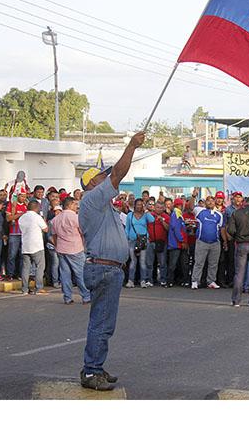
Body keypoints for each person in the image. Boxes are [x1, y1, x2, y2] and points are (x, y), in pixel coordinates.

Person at [78, 130, 145, 391]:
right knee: (102, 323)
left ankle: (95, 366)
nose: (106, 176)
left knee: (104, 322)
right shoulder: (92, 199)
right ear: (92, 183)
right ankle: (92, 370)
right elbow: (118, 174)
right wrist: (131, 146)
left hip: (107, 268)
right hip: (103, 268)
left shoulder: (102, 205)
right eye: (101, 176)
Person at [51, 197, 90, 305]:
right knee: (80, 273)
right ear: (70, 205)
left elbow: (54, 236)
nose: (77, 207)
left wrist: (57, 245)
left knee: (65, 274)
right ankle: (86, 296)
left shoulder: (56, 219)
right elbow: (83, 232)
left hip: (61, 249)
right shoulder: (76, 218)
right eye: (75, 204)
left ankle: (67, 297)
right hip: (75, 248)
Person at [191, 196, 225, 289]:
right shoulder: (199, 210)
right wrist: (193, 197)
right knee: (199, 262)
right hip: (202, 241)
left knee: (213, 263)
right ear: (205, 202)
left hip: (215, 242)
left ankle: (211, 281)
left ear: (214, 203)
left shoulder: (219, 215)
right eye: (208, 201)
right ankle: (195, 281)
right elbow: (191, 207)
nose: (210, 202)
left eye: (212, 201)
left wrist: (225, 241)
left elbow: (221, 228)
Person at [18, 200, 48, 295]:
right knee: (40, 266)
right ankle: (39, 288)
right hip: (37, 245)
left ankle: (24, 289)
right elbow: (46, 229)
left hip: (26, 245)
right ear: (36, 207)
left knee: (26, 268)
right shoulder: (37, 217)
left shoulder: (22, 218)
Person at [125, 198, 154, 288]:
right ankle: (131, 281)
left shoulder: (145, 215)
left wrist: (146, 210)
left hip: (143, 241)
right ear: (134, 205)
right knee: (133, 261)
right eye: (138, 204)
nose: (139, 206)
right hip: (132, 241)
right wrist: (126, 240)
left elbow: (152, 220)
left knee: (142, 262)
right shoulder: (130, 215)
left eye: (141, 204)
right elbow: (127, 228)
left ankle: (143, 280)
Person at [6, 188, 28, 280]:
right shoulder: (11, 205)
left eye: (25, 197)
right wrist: (20, 215)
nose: (23, 198)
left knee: (22, 256)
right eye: (22, 196)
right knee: (12, 255)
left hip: (24, 234)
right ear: (17, 196)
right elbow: (8, 218)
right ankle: (10, 274)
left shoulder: (26, 206)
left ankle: (20, 274)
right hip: (14, 233)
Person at [146, 201, 170, 287]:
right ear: (154, 207)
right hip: (150, 242)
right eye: (157, 207)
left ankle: (163, 279)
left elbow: (168, 229)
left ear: (163, 208)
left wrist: (162, 221)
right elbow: (144, 226)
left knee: (162, 263)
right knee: (149, 263)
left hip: (161, 242)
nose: (159, 209)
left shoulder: (166, 217)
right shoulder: (149, 216)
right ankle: (149, 280)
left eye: (161, 207)